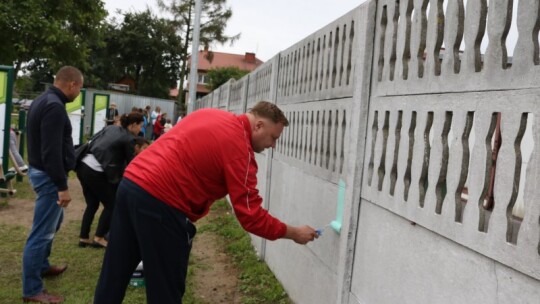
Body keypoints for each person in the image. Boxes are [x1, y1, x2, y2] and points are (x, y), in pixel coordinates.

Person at [93, 101, 318, 304]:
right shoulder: (240, 150)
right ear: (258, 126)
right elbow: (251, 216)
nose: (273, 145)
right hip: (162, 202)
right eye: (274, 138)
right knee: (165, 288)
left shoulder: (212, 114)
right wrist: (294, 233)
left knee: (115, 271)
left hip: (131, 184)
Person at [22, 66, 83, 303]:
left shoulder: (43, 100)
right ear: (72, 84)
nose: (78, 92)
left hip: (42, 173)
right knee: (41, 233)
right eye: (79, 87)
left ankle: (42, 265)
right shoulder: (55, 107)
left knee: (54, 223)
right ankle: (32, 290)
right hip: (48, 177)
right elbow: (50, 152)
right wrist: (62, 186)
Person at [76, 112, 144, 248]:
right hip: (95, 170)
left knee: (92, 203)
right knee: (112, 205)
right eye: (140, 126)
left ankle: (83, 238)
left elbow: (95, 140)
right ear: (133, 125)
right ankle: (99, 238)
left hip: (82, 165)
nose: (140, 129)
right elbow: (131, 163)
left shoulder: (111, 127)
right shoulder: (129, 139)